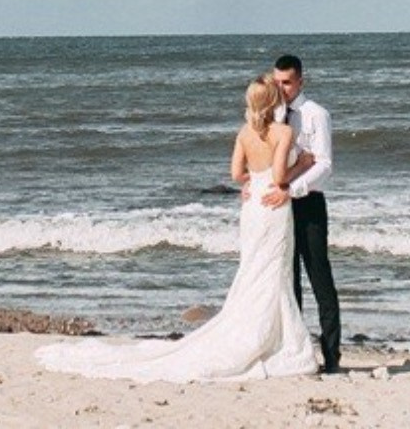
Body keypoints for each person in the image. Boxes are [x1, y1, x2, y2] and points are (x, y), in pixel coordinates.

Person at [34, 76, 320, 382]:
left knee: (253, 270)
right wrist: (302, 164)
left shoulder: (244, 133)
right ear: (275, 100)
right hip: (274, 207)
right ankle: (276, 341)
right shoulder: (284, 131)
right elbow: (279, 178)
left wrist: (251, 181)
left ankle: (268, 336)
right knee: (273, 272)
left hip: (252, 210)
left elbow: (237, 173)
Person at [265, 52, 340, 373]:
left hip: (308, 203)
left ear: (300, 81)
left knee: (319, 276)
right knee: (287, 278)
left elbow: (324, 164)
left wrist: (291, 190)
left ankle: (332, 354)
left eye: (287, 83)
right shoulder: (272, 116)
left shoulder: (315, 114)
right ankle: (294, 352)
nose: (282, 89)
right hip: (278, 207)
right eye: (277, 82)